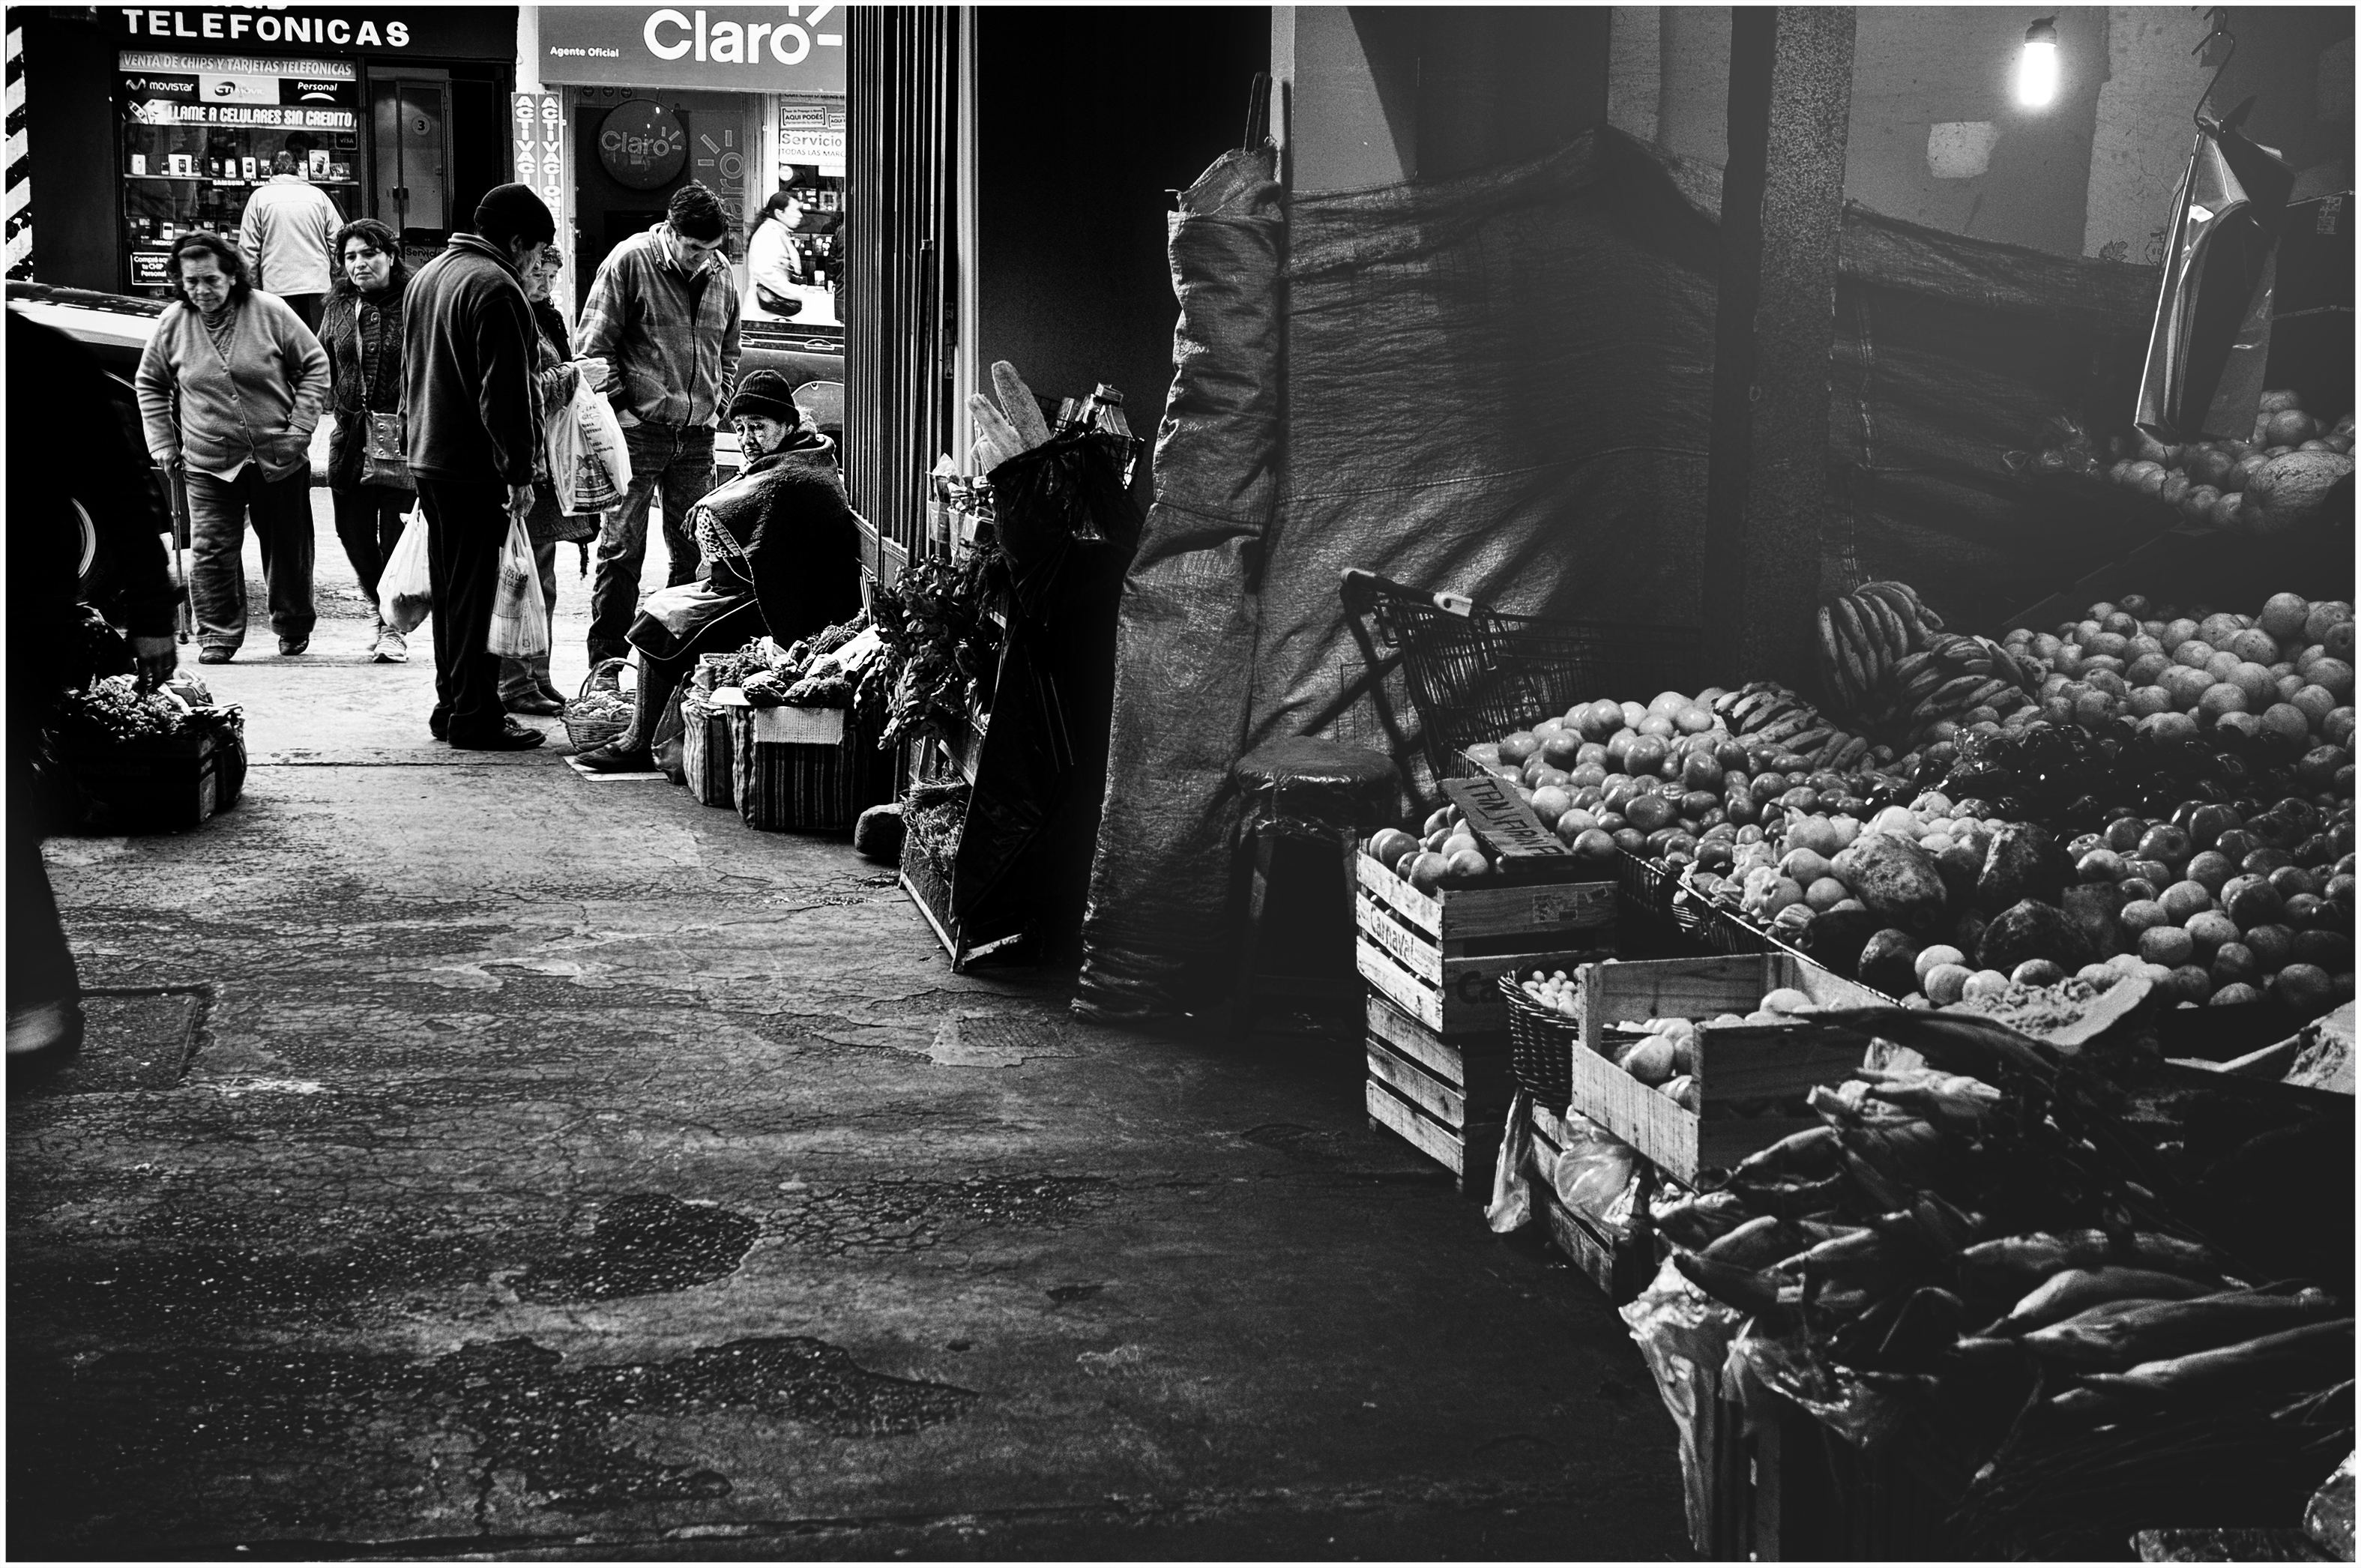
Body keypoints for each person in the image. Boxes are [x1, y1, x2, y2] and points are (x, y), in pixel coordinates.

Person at [8, 313, 181, 1071]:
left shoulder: (35, 360)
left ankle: (36, 995)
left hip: (19, 620)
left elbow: (122, 490)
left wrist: (151, 616)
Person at [574, 370, 861, 772]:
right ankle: (643, 734)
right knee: (661, 608)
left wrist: (712, 509)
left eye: (758, 427)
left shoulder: (797, 472)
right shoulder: (800, 455)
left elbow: (751, 507)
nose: (747, 439)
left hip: (792, 612)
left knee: (666, 620)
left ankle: (640, 741)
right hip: (769, 591)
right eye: (741, 428)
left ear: (789, 425)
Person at [402, 183, 552, 752]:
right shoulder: (495, 287)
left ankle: (453, 704)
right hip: (471, 464)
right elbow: (505, 395)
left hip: (431, 457)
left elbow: (411, 371)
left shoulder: (430, 275)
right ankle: (475, 717)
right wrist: (520, 472)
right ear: (515, 241)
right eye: (535, 253)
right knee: (475, 594)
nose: (534, 265)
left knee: (454, 589)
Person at [133, 229, 329, 664]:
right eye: (191, 282)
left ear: (232, 277)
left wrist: (300, 428)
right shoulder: (172, 324)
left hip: (277, 455)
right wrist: (162, 442)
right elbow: (150, 383)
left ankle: (293, 624)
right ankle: (218, 634)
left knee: (287, 547)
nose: (201, 290)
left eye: (211, 281)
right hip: (208, 460)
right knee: (211, 550)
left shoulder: (270, 311)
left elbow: (315, 364)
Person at [575, 179, 742, 668]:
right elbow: (592, 349)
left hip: (697, 435)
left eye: (710, 250)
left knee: (694, 551)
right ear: (670, 231)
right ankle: (606, 662)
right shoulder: (629, 262)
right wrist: (622, 410)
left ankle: (673, 662)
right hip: (637, 432)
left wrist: (719, 400)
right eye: (693, 249)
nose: (700, 260)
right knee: (622, 548)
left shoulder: (721, 271)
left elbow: (729, 348)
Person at [497, 241, 601, 717]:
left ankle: (537, 673)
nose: (545, 283)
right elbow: (522, 389)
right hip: (520, 461)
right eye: (539, 272)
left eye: (553, 275)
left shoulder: (551, 319)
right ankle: (515, 680)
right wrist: (575, 375)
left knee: (544, 578)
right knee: (521, 577)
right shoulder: (508, 314)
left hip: (546, 459)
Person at [318, 217, 414, 663]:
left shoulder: (417, 303)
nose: (359, 264)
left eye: (369, 254)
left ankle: (391, 628)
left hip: (404, 439)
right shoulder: (338, 308)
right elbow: (323, 365)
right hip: (352, 440)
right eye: (350, 256)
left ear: (391, 257)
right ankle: (383, 610)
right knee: (352, 533)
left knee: (396, 537)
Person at [238, 149, 343, 332]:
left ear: (270, 169)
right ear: (299, 169)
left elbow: (248, 251)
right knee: (319, 344)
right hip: (317, 285)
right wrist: (337, 277)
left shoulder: (259, 198)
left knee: (284, 347)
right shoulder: (318, 196)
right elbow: (339, 241)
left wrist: (253, 290)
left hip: (277, 288)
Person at [747, 189, 806, 316]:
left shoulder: (778, 233)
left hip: (771, 312)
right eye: (794, 210)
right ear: (779, 213)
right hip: (765, 312)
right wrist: (799, 294)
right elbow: (766, 274)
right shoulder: (769, 234)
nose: (800, 215)